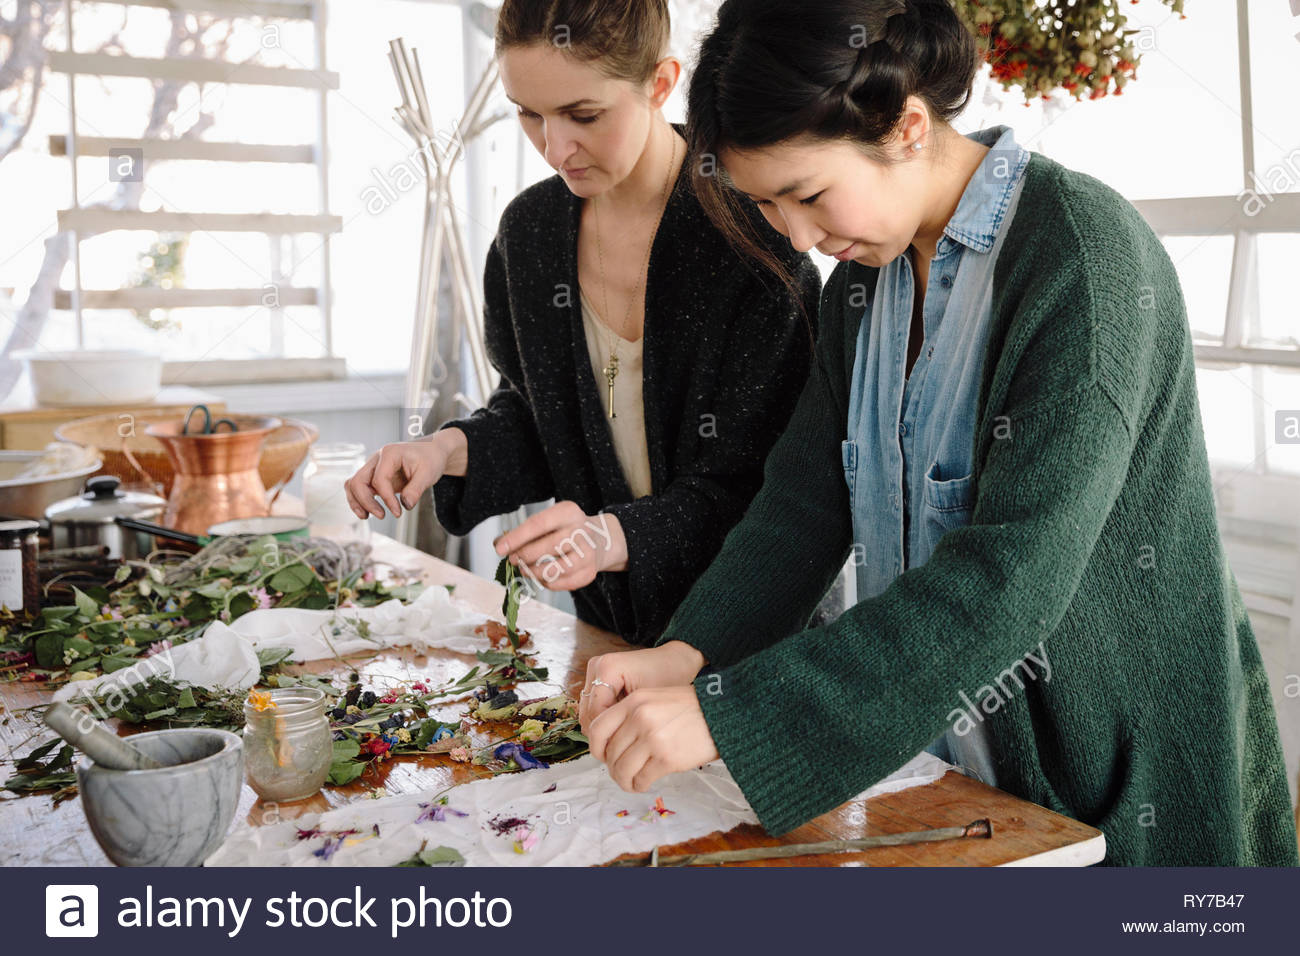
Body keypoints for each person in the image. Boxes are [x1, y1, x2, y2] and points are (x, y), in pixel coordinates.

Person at [577, 0, 1299, 866]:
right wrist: (690, 655)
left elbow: (1011, 577)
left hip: (1114, 789)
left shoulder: (1081, 260)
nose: (799, 236)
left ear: (909, 125)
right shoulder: (861, 285)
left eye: (807, 195)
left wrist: (735, 714)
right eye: (769, 206)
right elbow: (803, 505)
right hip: (959, 782)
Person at [345, 0, 821, 645]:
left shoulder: (752, 233)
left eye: (583, 115)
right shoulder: (529, 235)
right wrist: (446, 450)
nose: (554, 147)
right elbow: (543, 417)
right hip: (607, 629)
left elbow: (774, 490)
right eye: (528, 113)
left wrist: (614, 535)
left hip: (750, 636)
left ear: (660, 83)